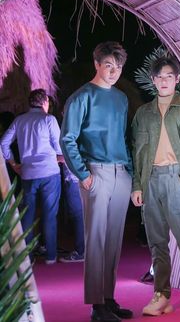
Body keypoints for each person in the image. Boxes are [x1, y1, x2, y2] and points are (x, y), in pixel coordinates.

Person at [131, 57, 180, 318]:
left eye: (169, 76)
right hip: (151, 181)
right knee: (157, 243)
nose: (164, 81)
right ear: (153, 80)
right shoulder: (143, 114)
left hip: (176, 179)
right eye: (159, 77)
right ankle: (161, 295)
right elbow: (137, 154)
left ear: (177, 79)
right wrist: (137, 186)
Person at [60, 41, 133, 322]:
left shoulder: (121, 98)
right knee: (96, 240)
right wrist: (84, 175)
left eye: (118, 67)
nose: (113, 72)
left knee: (113, 240)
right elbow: (67, 139)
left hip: (120, 173)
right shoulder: (81, 97)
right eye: (108, 66)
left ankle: (109, 298)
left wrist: (128, 172)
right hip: (96, 173)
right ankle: (96, 306)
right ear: (96, 64)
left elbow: (122, 137)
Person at [0, 89, 63, 264]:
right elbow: (59, 147)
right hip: (49, 173)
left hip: (27, 173)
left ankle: (27, 257)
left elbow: (3, 143)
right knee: (50, 214)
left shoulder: (19, 120)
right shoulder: (48, 119)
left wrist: (13, 164)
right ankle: (50, 256)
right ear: (44, 103)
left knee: (27, 215)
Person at [59, 162, 85, 263]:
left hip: (74, 178)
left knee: (78, 215)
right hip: (81, 177)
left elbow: (67, 156)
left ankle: (81, 252)